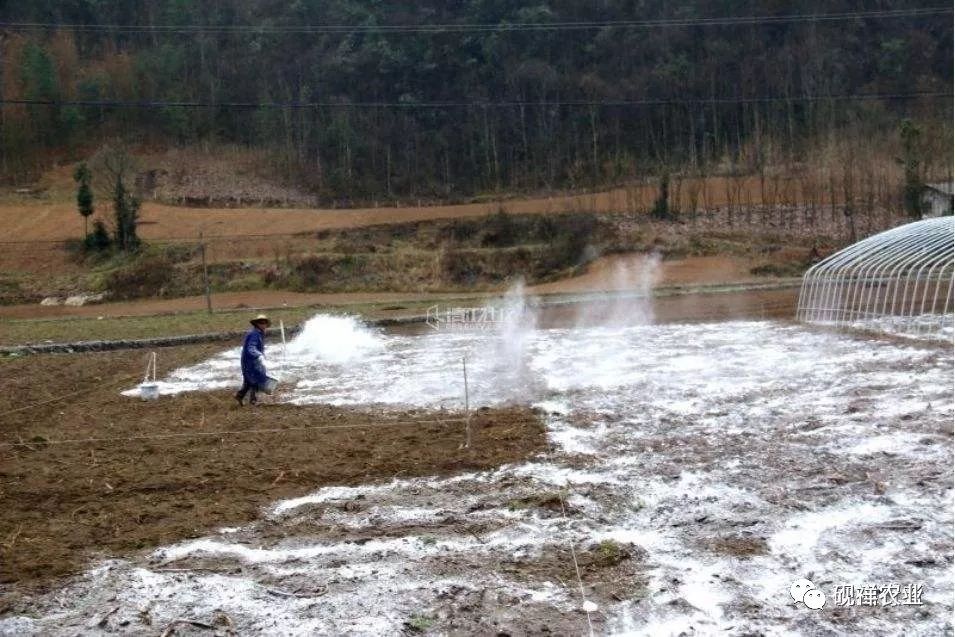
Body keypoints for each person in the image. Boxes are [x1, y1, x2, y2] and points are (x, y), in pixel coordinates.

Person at [235, 314, 270, 406]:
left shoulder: (259, 333)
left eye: (264, 322)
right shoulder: (254, 334)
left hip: (252, 360)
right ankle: (252, 400)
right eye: (261, 322)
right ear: (257, 324)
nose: (263, 324)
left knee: (250, 380)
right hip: (249, 361)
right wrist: (259, 355)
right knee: (253, 379)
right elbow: (251, 348)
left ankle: (240, 396)